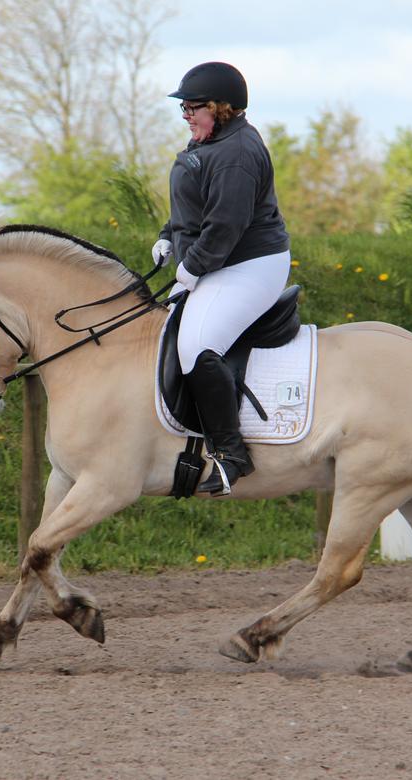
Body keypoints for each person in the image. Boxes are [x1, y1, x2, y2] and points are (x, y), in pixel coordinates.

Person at [152, 61, 292, 495]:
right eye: (185, 109)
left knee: (197, 345)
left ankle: (232, 454)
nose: (187, 115)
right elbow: (194, 207)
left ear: (221, 108)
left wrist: (192, 267)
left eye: (193, 107)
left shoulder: (236, 154)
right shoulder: (210, 142)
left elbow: (225, 225)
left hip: (249, 264)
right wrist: (166, 236)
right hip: (217, 259)